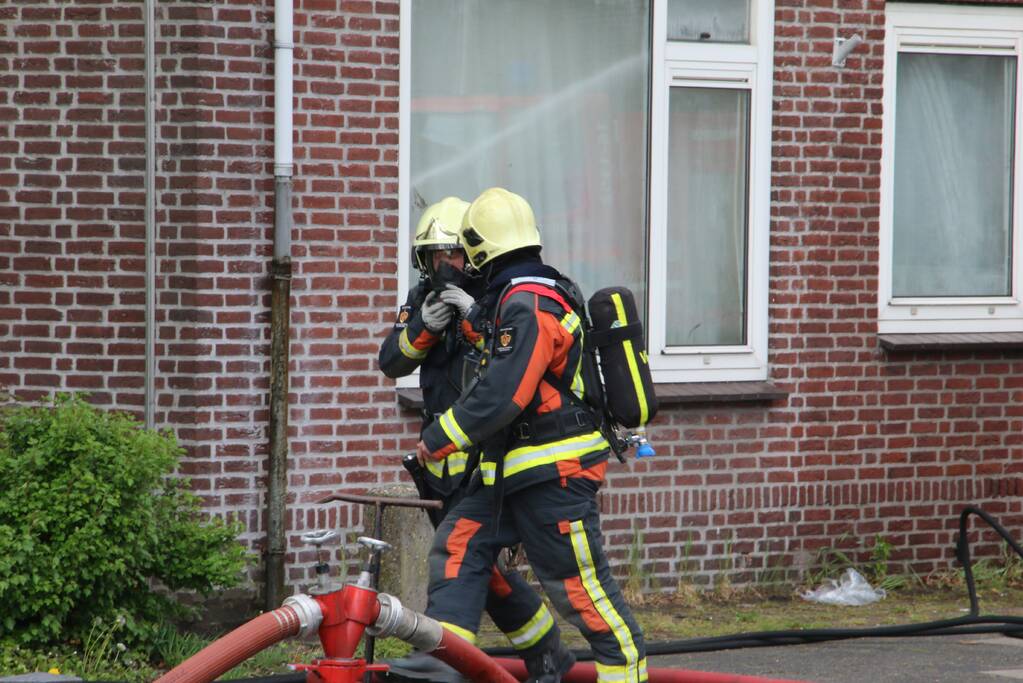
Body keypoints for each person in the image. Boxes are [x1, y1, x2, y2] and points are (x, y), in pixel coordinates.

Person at [416, 187, 647, 683]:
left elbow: (505, 393)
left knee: (584, 596)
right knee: (458, 543)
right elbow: (503, 357)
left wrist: (440, 436)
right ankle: (442, 668)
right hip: (513, 472)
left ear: (479, 249)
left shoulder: (530, 302)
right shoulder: (521, 295)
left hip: (554, 476)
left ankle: (625, 672)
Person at [378, 196, 562, 682]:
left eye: (453, 254)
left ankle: (450, 660)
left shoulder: (495, 297)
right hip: (438, 463)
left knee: (464, 554)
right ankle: (545, 651)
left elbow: (506, 370)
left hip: (481, 457)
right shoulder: (421, 299)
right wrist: (424, 326)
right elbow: (391, 362)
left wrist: (473, 319)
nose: (445, 265)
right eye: (434, 256)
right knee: (478, 565)